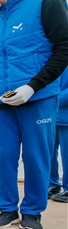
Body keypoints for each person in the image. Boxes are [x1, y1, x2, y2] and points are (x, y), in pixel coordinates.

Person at [0, 0, 68, 229]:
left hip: (37, 98)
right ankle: (7, 208)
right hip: (3, 102)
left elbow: (64, 47)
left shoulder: (46, 2)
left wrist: (33, 86)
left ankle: (32, 211)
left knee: (36, 155)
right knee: (5, 156)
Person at [49, 71, 68, 203]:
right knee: (48, 154)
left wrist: (52, 99)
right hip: (50, 117)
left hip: (65, 116)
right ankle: (52, 185)